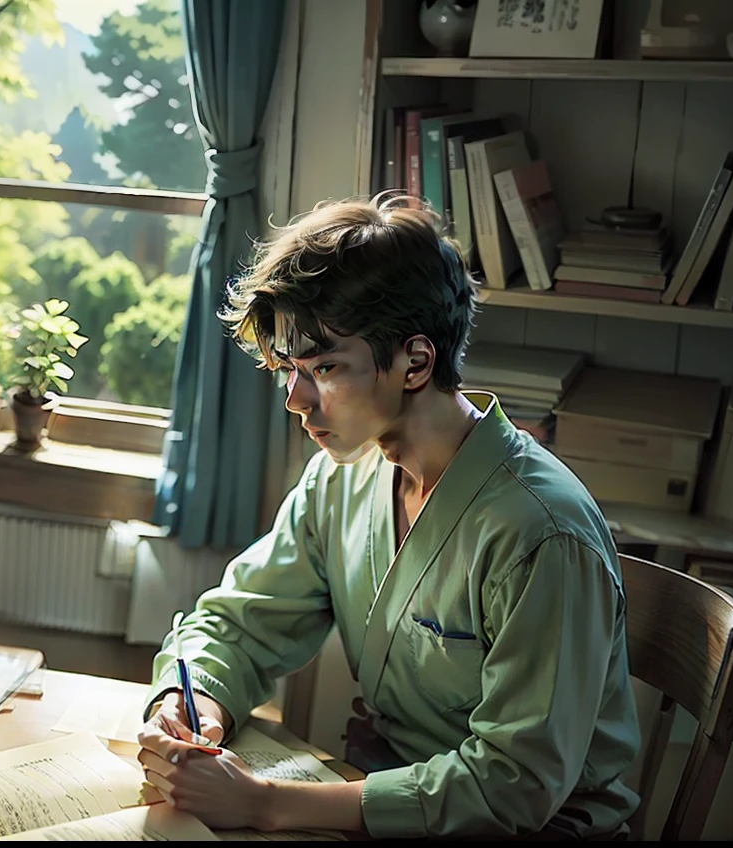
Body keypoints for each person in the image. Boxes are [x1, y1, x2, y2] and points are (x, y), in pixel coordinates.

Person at [136, 195, 640, 839]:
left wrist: (265, 804)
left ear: (417, 362)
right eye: (289, 369)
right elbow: (238, 623)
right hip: (376, 802)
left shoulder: (540, 531)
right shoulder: (341, 476)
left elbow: (516, 785)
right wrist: (189, 698)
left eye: (324, 368)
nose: (295, 399)